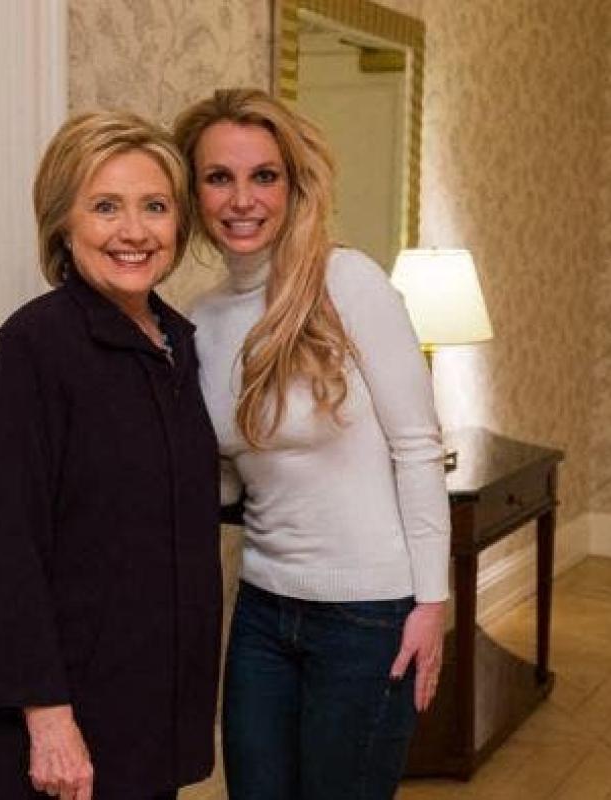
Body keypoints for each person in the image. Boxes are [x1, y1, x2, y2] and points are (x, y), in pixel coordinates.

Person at [0, 111, 222, 800]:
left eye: (155, 207)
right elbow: (4, 546)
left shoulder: (178, 345)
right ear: (64, 222)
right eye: (106, 207)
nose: (134, 231)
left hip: (143, 708)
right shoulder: (36, 347)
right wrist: (50, 720)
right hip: (58, 719)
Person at [174, 88, 450, 800]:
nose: (242, 199)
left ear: (293, 186)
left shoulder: (346, 282)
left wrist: (431, 603)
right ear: (194, 193)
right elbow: (232, 474)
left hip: (369, 613)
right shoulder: (200, 320)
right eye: (219, 177)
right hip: (263, 609)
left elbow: (418, 447)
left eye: (263, 176)